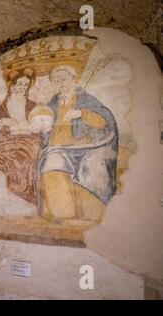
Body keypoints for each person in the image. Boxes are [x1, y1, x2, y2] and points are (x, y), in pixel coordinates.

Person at [38, 64, 118, 222]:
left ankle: (93, 215)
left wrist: (81, 113)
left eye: (64, 79)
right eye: (57, 80)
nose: (61, 82)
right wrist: (42, 127)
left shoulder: (87, 100)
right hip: (58, 148)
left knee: (92, 167)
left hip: (86, 147)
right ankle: (63, 214)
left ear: (74, 79)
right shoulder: (52, 104)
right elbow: (42, 123)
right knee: (51, 163)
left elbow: (104, 122)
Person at [0, 68, 42, 205]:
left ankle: (24, 194)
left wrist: (35, 126)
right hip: (7, 140)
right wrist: (1, 122)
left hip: (29, 140)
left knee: (24, 155)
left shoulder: (32, 105)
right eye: (19, 84)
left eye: (26, 85)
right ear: (11, 85)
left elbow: (41, 123)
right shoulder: (3, 107)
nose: (22, 88)